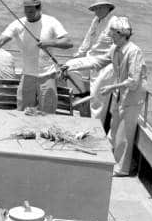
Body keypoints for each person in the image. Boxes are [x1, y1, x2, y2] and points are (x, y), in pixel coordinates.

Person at [62, 16, 146, 176]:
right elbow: (98, 62)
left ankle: (121, 169)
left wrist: (111, 87)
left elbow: (134, 81)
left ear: (121, 34)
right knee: (114, 129)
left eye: (113, 33)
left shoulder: (134, 51)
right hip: (119, 94)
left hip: (132, 97)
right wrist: (71, 65)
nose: (110, 36)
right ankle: (108, 159)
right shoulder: (115, 49)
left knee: (124, 133)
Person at [0, 0, 72, 113]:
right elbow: (1, 39)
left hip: (47, 75)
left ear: (39, 9)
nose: (28, 15)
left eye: (31, 12)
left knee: (48, 113)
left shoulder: (51, 22)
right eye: (26, 12)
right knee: (23, 111)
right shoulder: (18, 24)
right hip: (27, 75)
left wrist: (49, 43)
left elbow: (68, 42)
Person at [72, 0, 116, 128]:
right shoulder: (96, 21)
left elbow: (120, 44)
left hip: (106, 66)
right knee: (94, 98)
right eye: (96, 8)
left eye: (101, 7)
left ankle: (96, 128)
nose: (98, 10)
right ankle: (92, 126)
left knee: (98, 100)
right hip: (93, 64)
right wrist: (78, 55)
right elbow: (87, 40)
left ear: (107, 8)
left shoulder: (114, 22)